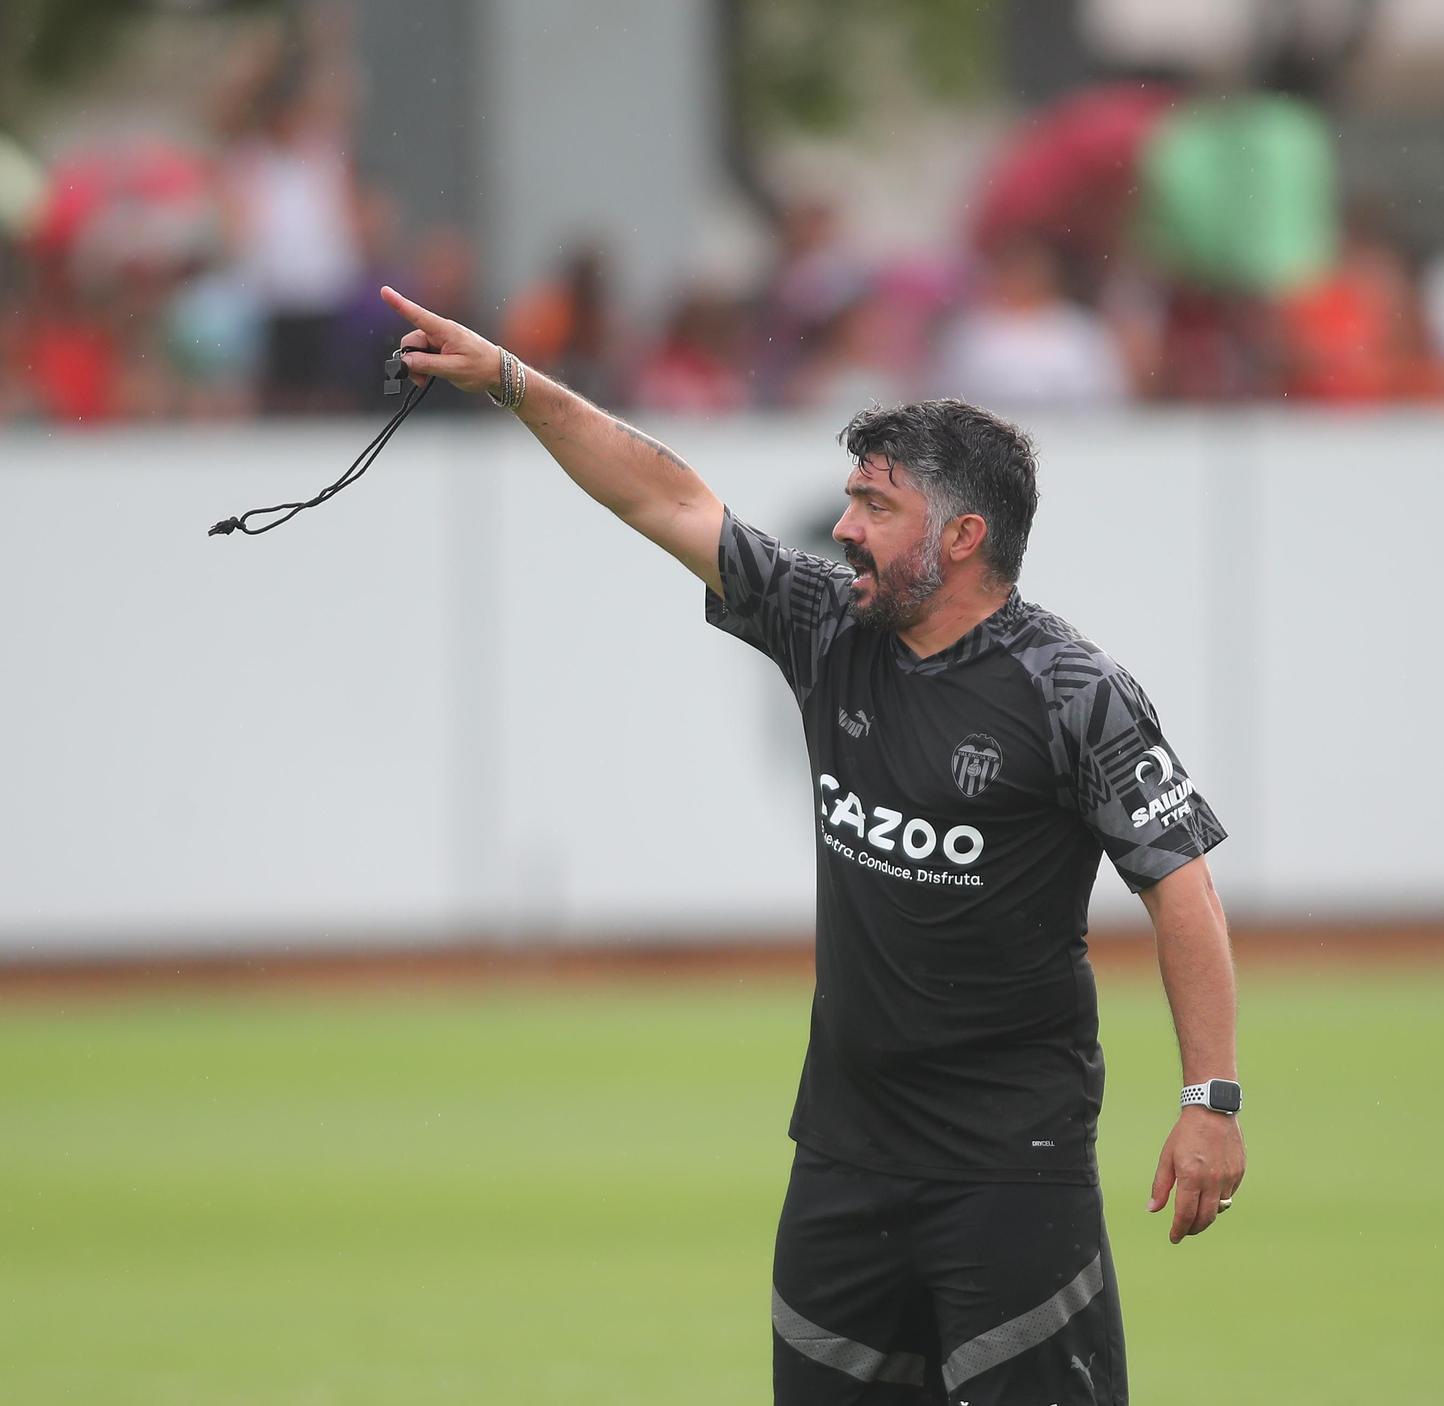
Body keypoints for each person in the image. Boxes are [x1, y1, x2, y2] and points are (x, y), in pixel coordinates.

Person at [380, 283, 1246, 1406]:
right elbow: (666, 499)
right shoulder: (829, 626)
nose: (842, 527)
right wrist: (510, 379)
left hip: (1008, 1165)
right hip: (842, 1155)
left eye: (874, 505)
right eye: (848, 498)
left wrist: (1208, 1099)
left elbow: (1181, 887)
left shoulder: (1072, 692)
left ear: (962, 535)